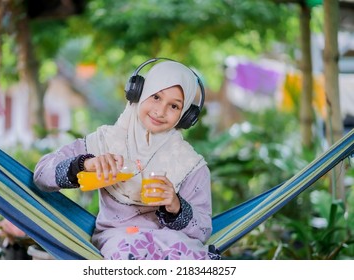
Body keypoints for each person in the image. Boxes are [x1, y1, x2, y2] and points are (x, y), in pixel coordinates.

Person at [33, 59, 221, 260]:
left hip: (172, 242)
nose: (160, 111)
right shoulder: (102, 143)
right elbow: (42, 175)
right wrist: (85, 164)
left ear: (185, 116)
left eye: (174, 106)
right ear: (139, 92)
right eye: (156, 96)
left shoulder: (191, 165)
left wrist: (176, 206)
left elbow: (202, 232)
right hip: (119, 240)